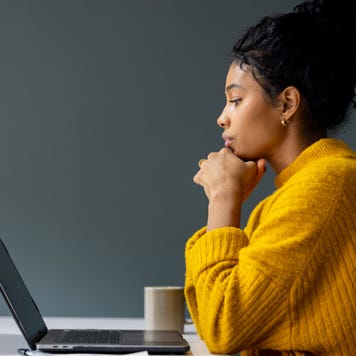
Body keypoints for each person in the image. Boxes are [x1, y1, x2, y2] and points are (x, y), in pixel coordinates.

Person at [184, 0, 356, 355]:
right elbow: (211, 316)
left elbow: (221, 329)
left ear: (287, 104)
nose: (222, 117)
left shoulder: (324, 185)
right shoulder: (302, 188)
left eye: (235, 100)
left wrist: (223, 198)